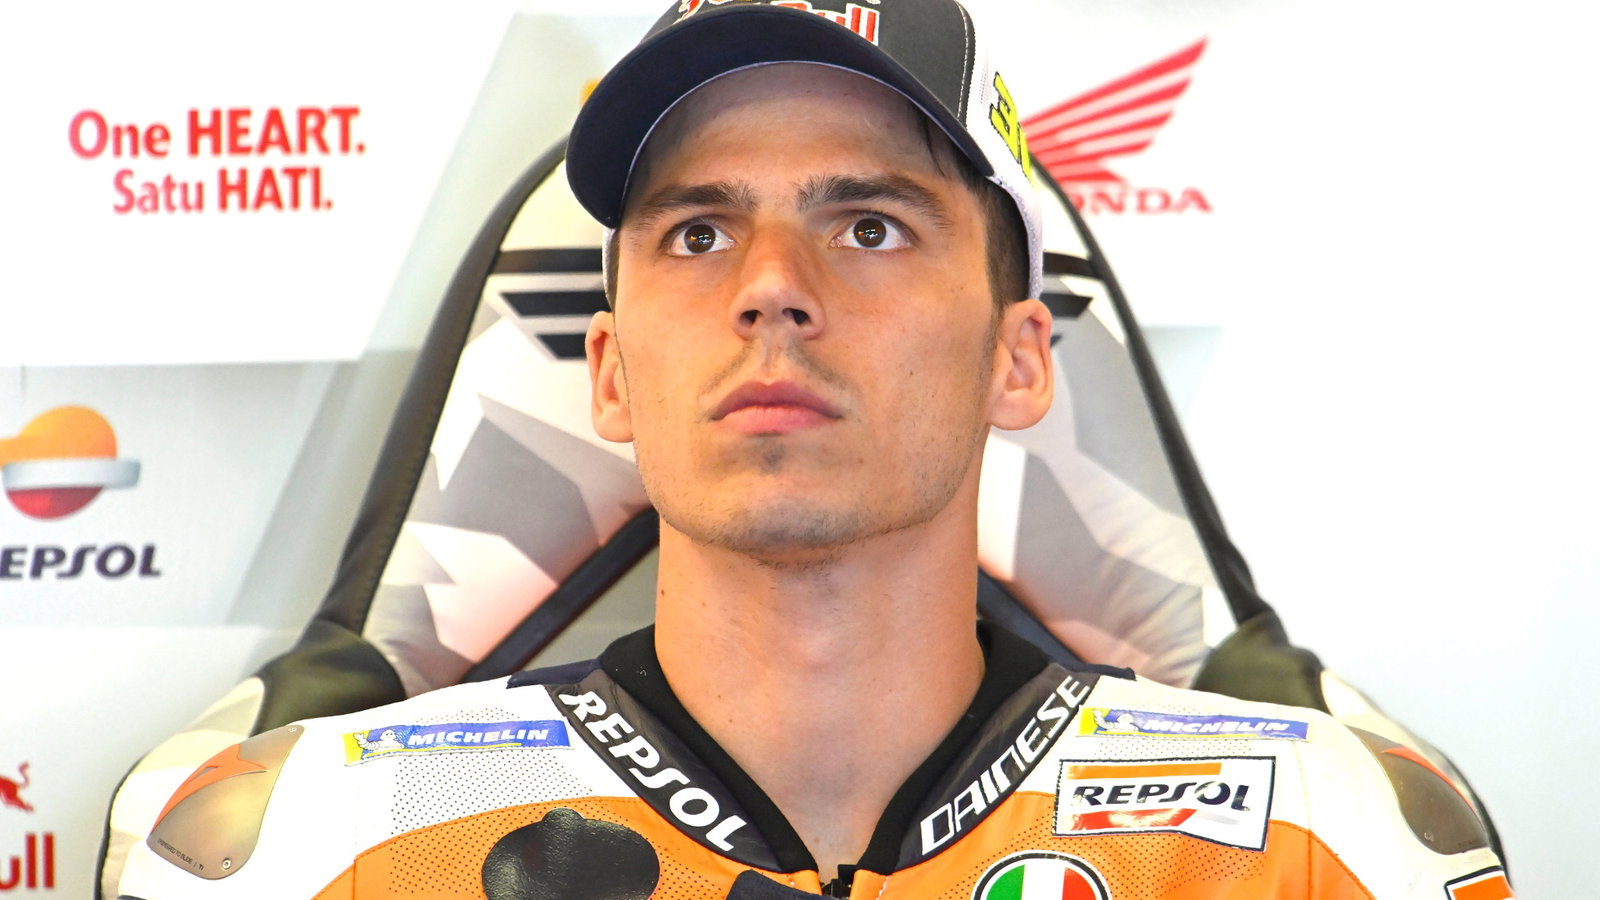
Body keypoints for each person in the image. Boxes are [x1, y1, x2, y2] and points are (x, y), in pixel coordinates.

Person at [115, 1, 1512, 897]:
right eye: (698, 232)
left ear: (1021, 358)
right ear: (610, 372)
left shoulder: (1321, 840)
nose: (772, 287)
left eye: (870, 225)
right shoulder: (319, 848)